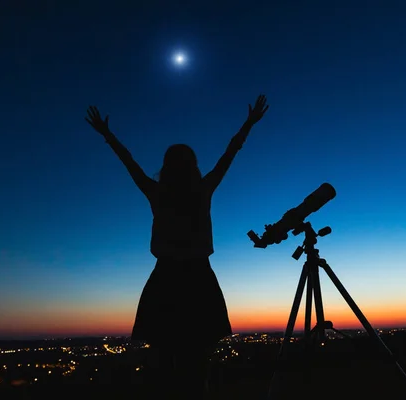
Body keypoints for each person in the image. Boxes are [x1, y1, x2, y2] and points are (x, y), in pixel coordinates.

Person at [85, 95, 269, 399]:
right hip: (197, 278)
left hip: (168, 277)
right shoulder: (202, 189)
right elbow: (229, 154)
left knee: (165, 359)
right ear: (192, 166)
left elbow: (129, 162)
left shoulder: (158, 193)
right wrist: (248, 124)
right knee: (196, 360)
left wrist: (108, 135)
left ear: (166, 167)